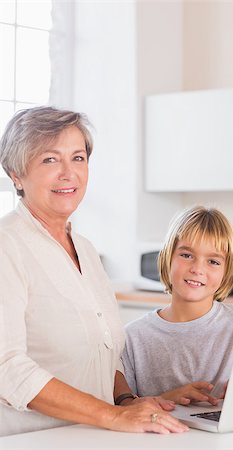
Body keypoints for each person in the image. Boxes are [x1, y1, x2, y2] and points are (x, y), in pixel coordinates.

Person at [0, 106, 188, 437]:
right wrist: (111, 416)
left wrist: (126, 401)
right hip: (30, 439)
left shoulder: (85, 249)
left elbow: (104, 351)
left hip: (94, 436)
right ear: (16, 174)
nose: (68, 173)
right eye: (49, 159)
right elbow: (7, 368)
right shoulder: (7, 245)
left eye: (78, 158)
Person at [122, 206, 233, 405]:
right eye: (187, 255)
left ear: (227, 271)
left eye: (213, 261)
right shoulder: (132, 337)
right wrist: (165, 400)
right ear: (168, 257)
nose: (197, 269)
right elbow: (125, 408)